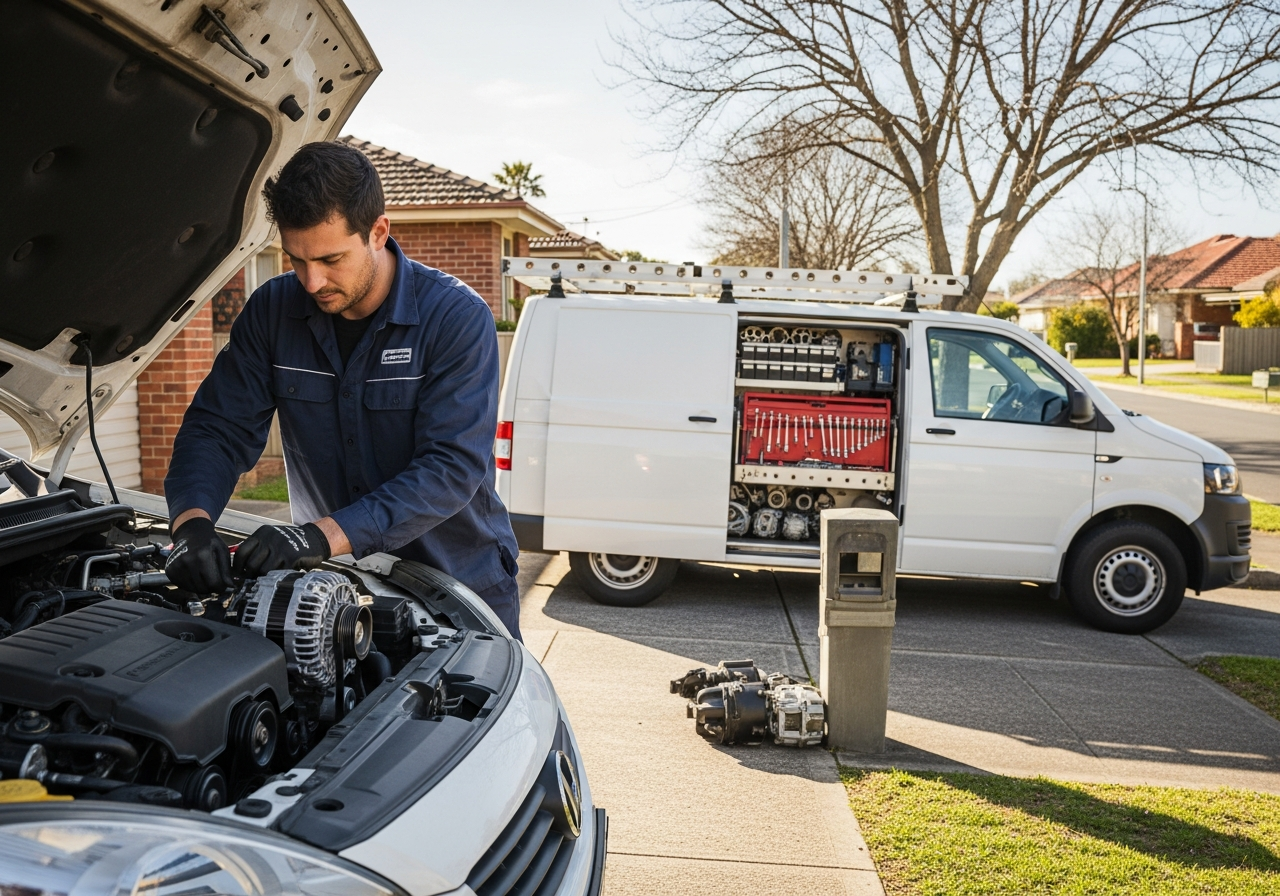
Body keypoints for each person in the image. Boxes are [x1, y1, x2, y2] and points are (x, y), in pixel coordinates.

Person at [162, 141, 522, 640]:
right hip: (335, 588)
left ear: (378, 232)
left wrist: (319, 535)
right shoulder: (272, 312)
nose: (311, 281)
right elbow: (216, 429)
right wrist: (192, 522)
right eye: (295, 259)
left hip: (461, 588)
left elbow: (450, 467)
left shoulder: (455, 318)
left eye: (331, 259)